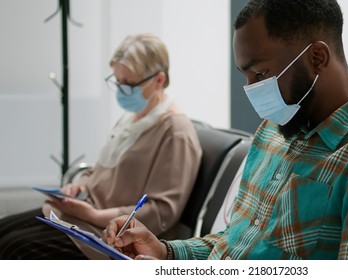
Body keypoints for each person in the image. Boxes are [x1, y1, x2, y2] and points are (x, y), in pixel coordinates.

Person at [102, 0, 348, 260]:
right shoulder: (273, 131)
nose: (253, 89)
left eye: (261, 73)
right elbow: (237, 242)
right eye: (247, 76)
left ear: (317, 57)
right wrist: (167, 253)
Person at [0, 33, 202, 259]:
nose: (121, 90)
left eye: (129, 84)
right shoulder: (132, 119)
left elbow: (161, 212)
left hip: (108, 233)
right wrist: (80, 187)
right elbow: (102, 171)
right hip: (81, 215)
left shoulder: (175, 132)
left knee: (13, 248)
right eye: (117, 81)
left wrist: (96, 215)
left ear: (159, 80)